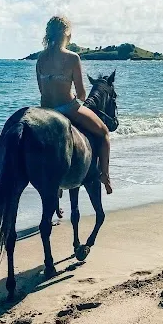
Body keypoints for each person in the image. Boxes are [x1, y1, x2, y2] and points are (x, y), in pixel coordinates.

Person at [36, 16, 113, 194]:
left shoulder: (41, 58)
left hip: (45, 111)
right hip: (66, 108)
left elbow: (42, 90)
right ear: (67, 34)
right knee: (103, 133)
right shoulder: (72, 58)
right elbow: (81, 94)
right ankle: (105, 175)